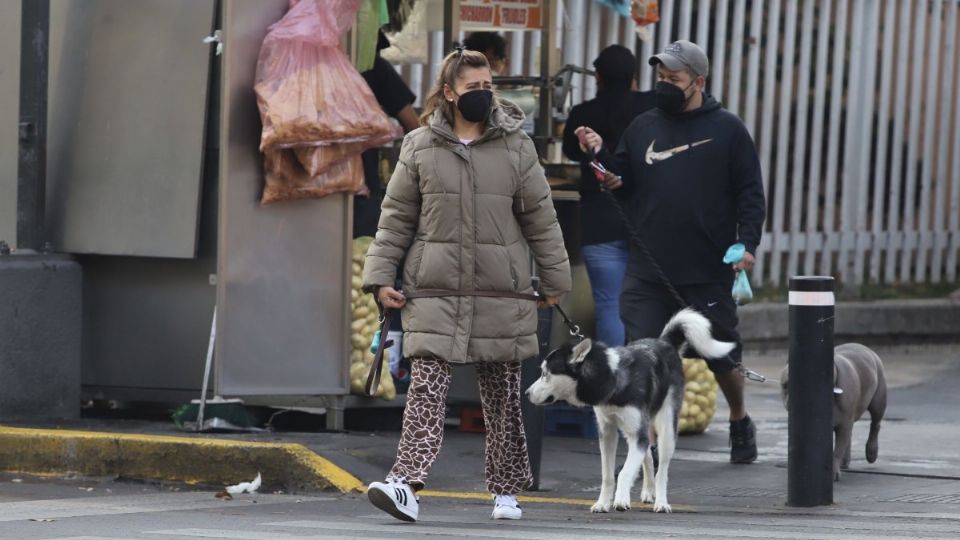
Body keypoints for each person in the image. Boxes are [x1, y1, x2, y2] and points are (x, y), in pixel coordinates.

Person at [362, 48, 571, 522]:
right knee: (426, 391)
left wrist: (555, 279)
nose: (483, 94)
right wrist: (379, 277)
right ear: (450, 92)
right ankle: (405, 486)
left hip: (501, 290)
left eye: (488, 86)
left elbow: (541, 218)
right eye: (473, 87)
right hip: (434, 289)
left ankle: (506, 491)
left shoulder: (516, 146)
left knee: (501, 397)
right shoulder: (418, 146)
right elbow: (395, 219)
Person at [575, 40, 766, 464]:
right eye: (661, 77)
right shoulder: (644, 126)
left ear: (698, 82)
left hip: (707, 267)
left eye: (674, 79)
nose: (665, 84)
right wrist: (599, 154)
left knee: (723, 354)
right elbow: (619, 178)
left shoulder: (729, 130)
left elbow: (751, 193)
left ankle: (739, 417)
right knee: (642, 353)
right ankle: (649, 444)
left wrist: (747, 245)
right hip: (648, 267)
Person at [562, 45, 656, 347]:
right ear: (634, 77)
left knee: (608, 307)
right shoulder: (652, 108)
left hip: (599, 221)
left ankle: (615, 384)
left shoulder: (582, 115)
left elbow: (570, 151)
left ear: (598, 77)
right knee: (650, 306)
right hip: (645, 219)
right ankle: (646, 378)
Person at [354, 31, 420, 239]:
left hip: (320, 182)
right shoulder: (375, 67)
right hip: (362, 185)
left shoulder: (317, 65)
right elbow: (413, 125)